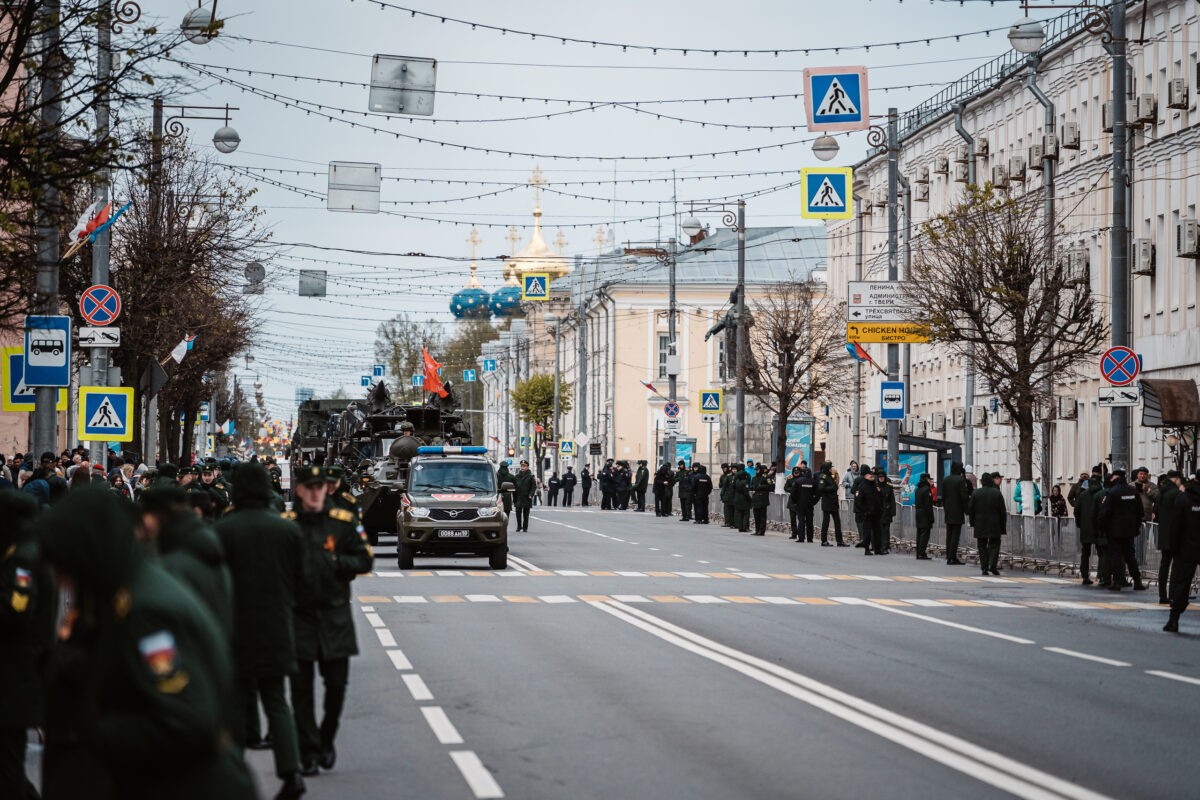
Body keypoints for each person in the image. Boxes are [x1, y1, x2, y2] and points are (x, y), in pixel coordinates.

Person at [37, 488, 259, 800]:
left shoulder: (146, 611)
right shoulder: (125, 594)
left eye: (64, 565)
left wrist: (89, 729)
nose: (61, 579)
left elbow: (184, 723)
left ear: (87, 552)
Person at [215, 463, 307, 795]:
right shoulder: (286, 530)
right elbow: (301, 579)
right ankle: (292, 772)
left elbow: (216, 582)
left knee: (238, 701)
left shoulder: (225, 529)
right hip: (277, 624)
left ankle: (233, 776)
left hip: (235, 625)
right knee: (276, 699)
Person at [289, 464, 374, 777]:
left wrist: (337, 562)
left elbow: (365, 558)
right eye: (309, 487)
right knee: (300, 690)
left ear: (327, 489)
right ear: (299, 490)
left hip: (334, 615)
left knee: (336, 686)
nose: (314, 493)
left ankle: (326, 738)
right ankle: (308, 750)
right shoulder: (288, 526)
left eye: (319, 487)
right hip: (298, 616)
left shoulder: (343, 522)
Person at [0, 491, 54, 800]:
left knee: (9, 770)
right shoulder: (22, 550)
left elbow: (16, 610)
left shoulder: (24, 556)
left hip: (16, 679)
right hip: (16, 676)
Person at [1096, 469, 1145, 592]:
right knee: (1130, 557)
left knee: (1116, 557)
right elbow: (1140, 512)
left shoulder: (1112, 493)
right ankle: (1137, 582)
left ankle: (1117, 582)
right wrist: (1136, 527)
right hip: (1129, 531)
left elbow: (1104, 513)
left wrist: (1102, 528)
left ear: (1115, 478)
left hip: (1114, 531)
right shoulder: (1133, 491)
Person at [1164, 469, 1200, 633]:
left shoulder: (1184, 497)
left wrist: (1174, 547)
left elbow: (1176, 526)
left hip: (1186, 548)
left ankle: (1174, 618)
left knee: (1182, 583)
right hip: (1188, 546)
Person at [970, 472, 1007, 575]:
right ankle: (992, 565)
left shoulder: (976, 493)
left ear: (982, 482)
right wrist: (1003, 526)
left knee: (981, 545)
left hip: (980, 523)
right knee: (994, 545)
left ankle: (984, 567)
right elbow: (1002, 511)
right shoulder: (997, 493)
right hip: (994, 524)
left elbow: (971, 510)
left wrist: (972, 523)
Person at [1155, 470, 1183, 605]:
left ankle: (1162, 595)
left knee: (1164, 566)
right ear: (1176, 479)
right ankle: (1172, 595)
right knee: (1176, 567)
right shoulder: (1176, 494)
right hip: (1176, 534)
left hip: (1164, 534)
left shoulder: (1161, 492)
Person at [1077, 469, 1106, 586]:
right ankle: (1101, 576)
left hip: (1086, 528)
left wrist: (1080, 524)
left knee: (1085, 553)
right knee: (1102, 553)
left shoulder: (1083, 495)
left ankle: (1085, 576)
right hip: (1099, 529)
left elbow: (1077, 511)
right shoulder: (1102, 494)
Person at [942, 461, 971, 565]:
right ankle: (952, 557)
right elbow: (964, 496)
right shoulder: (960, 480)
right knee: (955, 535)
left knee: (949, 534)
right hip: (958, 511)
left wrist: (946, 508)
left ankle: (948, 556)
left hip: (948, 511)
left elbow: (944, 497)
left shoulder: (946, 480)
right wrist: (967, 510)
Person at [817, 463, 846, 546]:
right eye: (830, 468)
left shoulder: (830, 476)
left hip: (833, 503)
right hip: (827, 503)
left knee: (837, 522)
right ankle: (824, 541)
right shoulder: (823, 477)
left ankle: (839, 541)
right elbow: (821, 488)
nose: (831, 469)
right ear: (827, 468)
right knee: (826, 522)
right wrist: (832, 488)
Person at [854, 469, 881, 555]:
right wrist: (865, 511)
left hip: (876, 513)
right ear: (865, 476)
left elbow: (879, 497)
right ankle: (867, 549)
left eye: (872, 475)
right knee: (867, 533)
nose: (872, 476)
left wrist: (880, 509)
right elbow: (858, 501)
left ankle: (877, 549)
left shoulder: (875, 485)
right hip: (867, 514)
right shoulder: (862, 486)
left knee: (877, 532)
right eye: (870, 475)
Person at [914, 473, 934, 559]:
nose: (930, 480)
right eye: (929, 479)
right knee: (925, 534)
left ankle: (919, 552)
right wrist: (931, 518)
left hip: (918, 513)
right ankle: (922, 553)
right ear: (926, 479)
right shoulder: (927, 490)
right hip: (925, 514)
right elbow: (928, 505)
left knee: (919, 533)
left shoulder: (918, 489)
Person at [876, 468, 896, 555]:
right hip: (878, 511)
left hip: (886, 511)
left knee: (886, 530)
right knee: (879, 530)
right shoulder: (875, 485)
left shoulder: (888, 485)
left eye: (882, 477)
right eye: (879, 477)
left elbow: (892, 499)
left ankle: (885, 546)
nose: (881, 479)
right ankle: (879, 546)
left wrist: (893, 511)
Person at [750, 463, 773, 536]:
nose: (757, 471)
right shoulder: (754, 478)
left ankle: (761, 531)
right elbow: (752, 486)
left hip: (763, 499)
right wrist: (752, 489)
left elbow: (769, 486)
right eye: (756, 470)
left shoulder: (766, 477)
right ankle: (757, 530)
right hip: (755, 499)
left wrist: (760, 487)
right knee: (756, 516)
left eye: (758, 470)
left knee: (762, 516)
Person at [512, 460, 536, 532]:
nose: (523, 467)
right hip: (518, 497)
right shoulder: (517, 476)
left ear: (527, 467)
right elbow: (514, 486)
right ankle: (519, 526)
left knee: (526, 513)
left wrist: (531, 494)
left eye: (524, 466)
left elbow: (533, 487)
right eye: (522, 466)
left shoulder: (531, 477)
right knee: (518, 512)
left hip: (527, 497)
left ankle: (525, 527)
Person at [784, 467, 803, 539]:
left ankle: (801, 534)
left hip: (800, 501)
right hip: (792, 502)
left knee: (801, 519)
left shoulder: (802, 480)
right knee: (792, 519)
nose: (796, 473)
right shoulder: (790, 480)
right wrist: (792, 490)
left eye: (797, 472)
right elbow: (785, 488)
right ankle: (794, 533)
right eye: (795, 472)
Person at [732, 463, 751, 533]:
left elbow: (733, 486)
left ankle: (740, 527)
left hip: (737, 497)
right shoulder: (746, 478)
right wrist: (750, 499)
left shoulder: (736, 479)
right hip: (744, 499)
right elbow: (746, 490)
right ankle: (745, 527)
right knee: (746, 514)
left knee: (740, 513)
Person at [497, 461, 515, 530]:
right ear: (507, 467)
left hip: (497, 497)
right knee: (507, 514)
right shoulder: (511, 477)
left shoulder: (495, 475)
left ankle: (498, 528)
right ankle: (504, 528)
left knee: (497, 513)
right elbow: (515, 489)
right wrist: (516, 500)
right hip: (507, 498)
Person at [719, 464, 735, 528]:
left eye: (725, 468)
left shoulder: (730, 476)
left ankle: (732, 522)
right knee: (726, 510)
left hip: (731, 494)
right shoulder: (722, 476)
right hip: (725, 494)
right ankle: (727, 522)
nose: (724, 469)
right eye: (723, 468)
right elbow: (721, 485)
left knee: (732, 510)